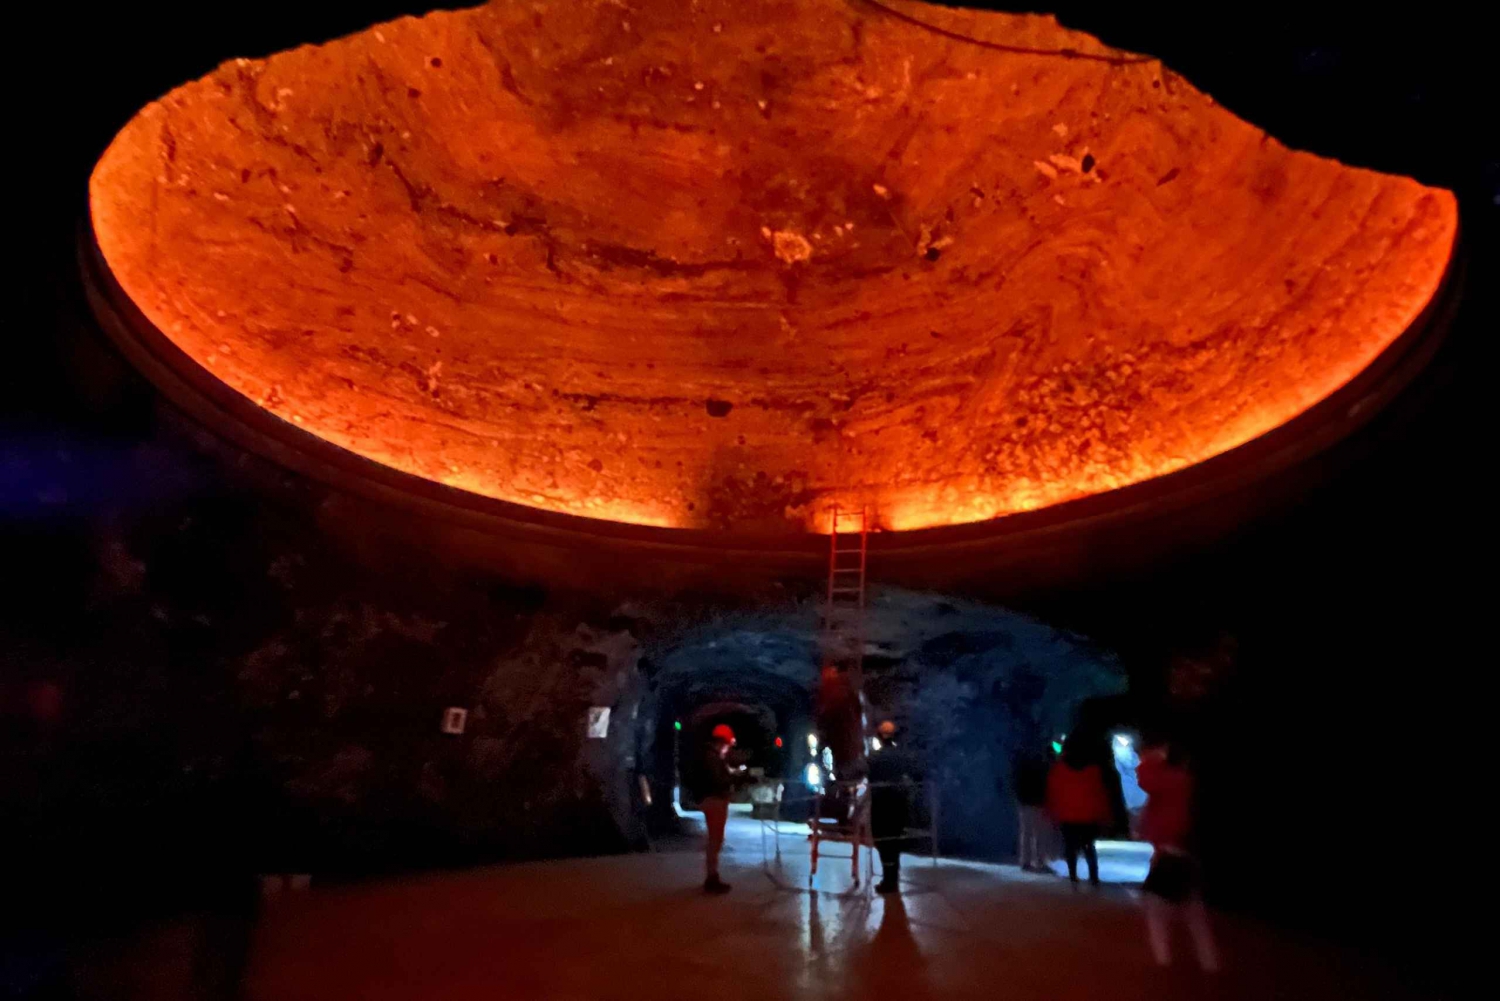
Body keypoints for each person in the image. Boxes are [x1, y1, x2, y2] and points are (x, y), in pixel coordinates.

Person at [1137, 743, 1219, 972]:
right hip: (1186, 849)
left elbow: (1146, 780)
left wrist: (1151, 758)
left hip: (1170, 849)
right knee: (1194, 912)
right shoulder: (1190, 783)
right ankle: (1209, 962)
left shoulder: (1172, 780)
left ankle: (1163, 962)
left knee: (1157, 908)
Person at [1046, 735, 1111, 885]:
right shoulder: (1093, 770)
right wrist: (1104, 814)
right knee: (1089, 846)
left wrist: (1052, 812)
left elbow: (1053, 792)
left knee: (1070, 846)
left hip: (1067, 814)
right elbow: (1100, 793)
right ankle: (1093, 876)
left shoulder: (1059, 769)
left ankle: (1073, 875)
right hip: (1088, 815)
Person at [867, 720, 918, 894]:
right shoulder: (901, 756)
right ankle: (892, 879)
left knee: (882, 841)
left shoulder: (875, 757)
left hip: (881, 804)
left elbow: (865, 772)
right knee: (895, 842)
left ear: (879, 736)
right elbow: (913, 773)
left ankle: (888, 881)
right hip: (898, 804)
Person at [699, 723, 740, 894]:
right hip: (715, 800)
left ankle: (712, 876)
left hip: (714, 800)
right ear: (721, 743)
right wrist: (733, 778)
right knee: (715, 840)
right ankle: (711, 878)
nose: (727, 750)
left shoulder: (712, 757)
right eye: (727, 746)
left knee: (715, 839)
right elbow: (717, 780)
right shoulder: (712, 758)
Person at [1012, 747, 1052, 872]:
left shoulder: (1022, 766)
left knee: (1026, 833)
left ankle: (1026, 861)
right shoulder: (1042, 765)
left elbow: (1016, 783)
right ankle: (1040, 860)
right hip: (1039, 801)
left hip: (1026, 801)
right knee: (1040, 834)